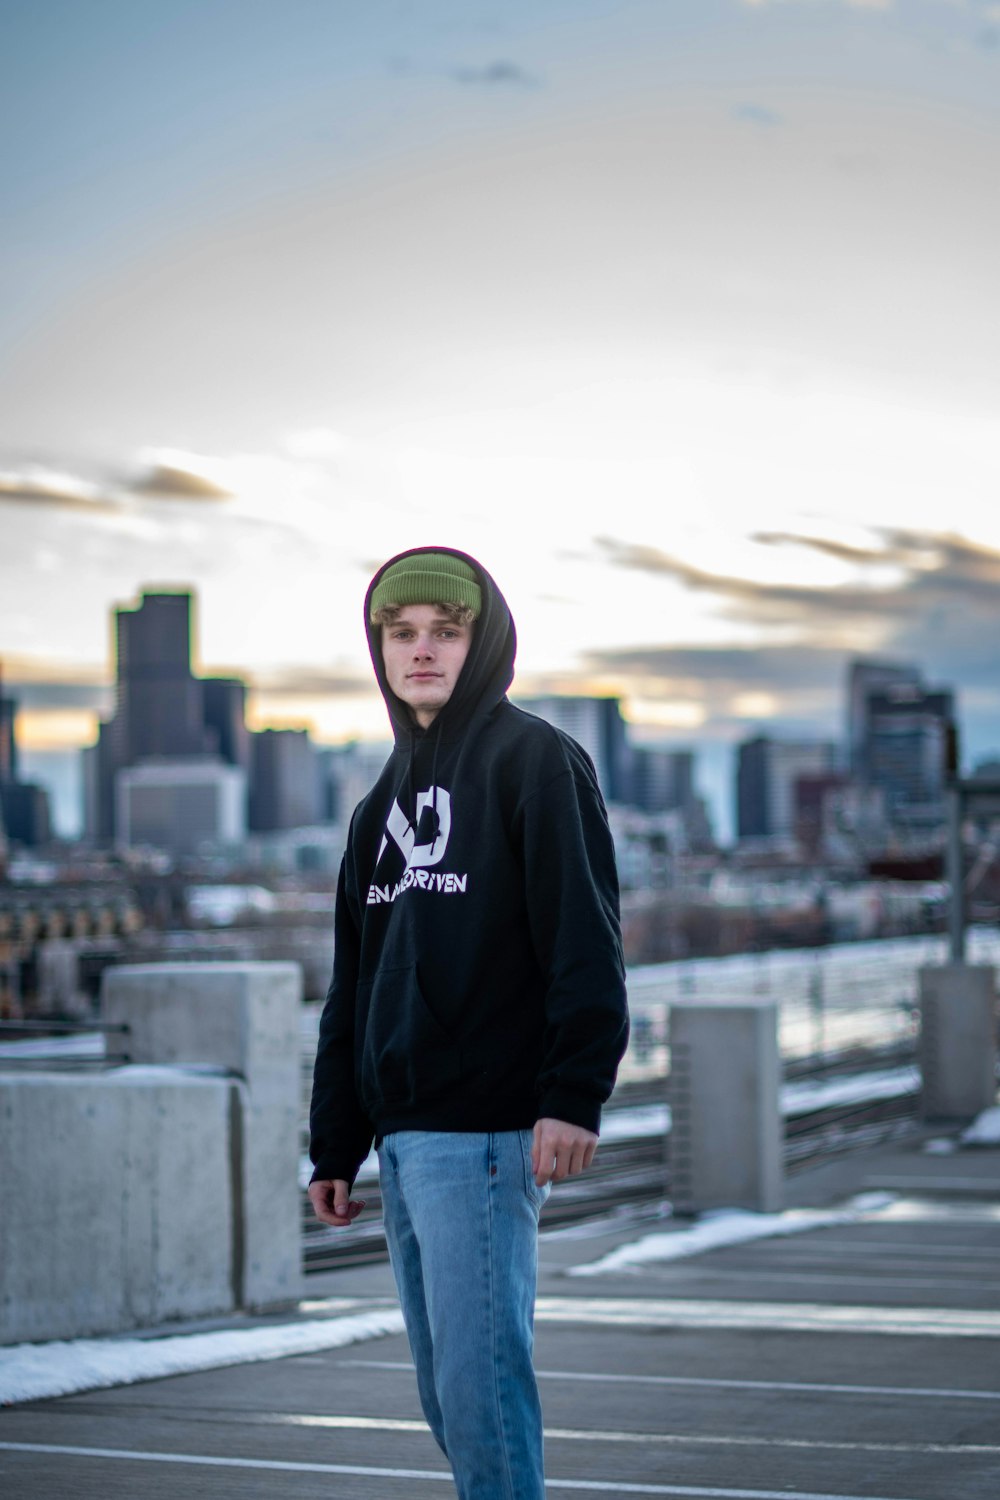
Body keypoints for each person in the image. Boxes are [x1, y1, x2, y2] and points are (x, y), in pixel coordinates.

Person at [308, 547, 629, 1500]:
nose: (422, 651)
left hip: (487, 1134)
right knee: (449, 1400)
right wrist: (336, 1143)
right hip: (406, 1142)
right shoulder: (380, 807)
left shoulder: (534, 760)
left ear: (480, 643)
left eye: (446, 632)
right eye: (402, 634)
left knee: (482, 1392)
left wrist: (572, 1095)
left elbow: (585, 935)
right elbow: (354, 985)